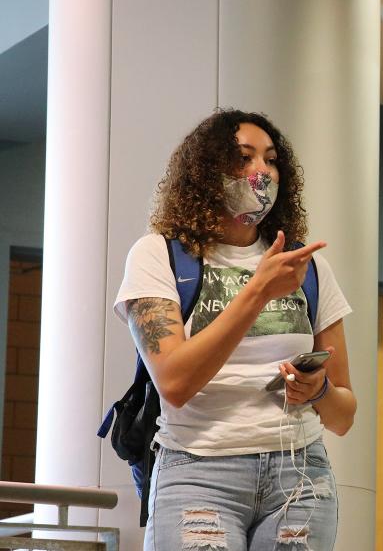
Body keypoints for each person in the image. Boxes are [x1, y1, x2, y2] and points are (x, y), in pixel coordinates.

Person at [114, 109, 356, 550]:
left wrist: (317, 391)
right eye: (244, 157)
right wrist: (257, 292)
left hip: (301, 477)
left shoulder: (309, 267)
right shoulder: (159, 256)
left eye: (271, 160)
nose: (261, 171)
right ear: (206, 172)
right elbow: (174, 382)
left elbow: (344, 415)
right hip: (198, 473)